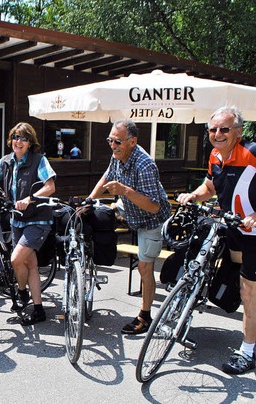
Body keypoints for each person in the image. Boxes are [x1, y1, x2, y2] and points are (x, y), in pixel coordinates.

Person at [177, 106, 256, 374]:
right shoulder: (214, 155)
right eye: (213, 129)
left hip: (254, 233)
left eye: (224, 129)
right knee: (227, 271)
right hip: (231, 227)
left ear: (238, 131)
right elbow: (210, 187)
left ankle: (247, 352)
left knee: (249, 290)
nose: (217, 134)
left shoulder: (252, 153)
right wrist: (193, 196)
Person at [88, 119, 171, 335]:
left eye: (117, 141)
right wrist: (89, 200)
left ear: (132, 141)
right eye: (110, 140)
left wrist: (124, 191)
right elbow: (106, 176)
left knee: (144, 268)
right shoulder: (117, 156)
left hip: (150, 220)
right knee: (98, 214)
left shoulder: (144, 164)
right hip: (131, 211)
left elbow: (154, 206)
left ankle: (145, 316)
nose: (112, 144)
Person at [0, 122, 56, 325]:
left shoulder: (39, 160)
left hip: (37, 218)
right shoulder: (6, 161)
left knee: (16, 259)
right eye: (15, 137)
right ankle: (39, 310)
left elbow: (50, 186)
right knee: (31, 264)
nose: (18, 141)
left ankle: (22, 293)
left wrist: (30, 199)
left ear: (31, 142)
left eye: (23, 138)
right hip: (17, 219)